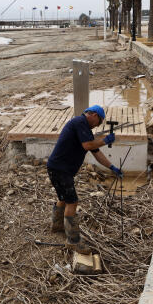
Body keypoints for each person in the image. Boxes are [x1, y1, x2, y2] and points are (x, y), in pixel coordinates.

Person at [46, 105, 123, 253]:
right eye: (99, 122)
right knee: (72, 202)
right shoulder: (80, 122)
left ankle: (57, 225)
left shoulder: (84, 129)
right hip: (60, 169)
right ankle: (73, 241)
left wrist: (112, 167)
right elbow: (88, 145)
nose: (98, 125)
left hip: (58, 168)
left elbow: (96, 152)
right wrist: (105, 140)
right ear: (93, 115)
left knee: (64, 197)